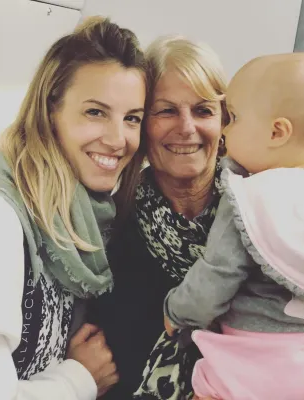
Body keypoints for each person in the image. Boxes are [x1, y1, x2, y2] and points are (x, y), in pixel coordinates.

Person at [0, 16, 147, 400]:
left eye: (132, 118)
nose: (119, 139)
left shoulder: (89, 219)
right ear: (51, 109)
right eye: (96, 112)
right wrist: (78, 380)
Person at [164, 53, 304, 400]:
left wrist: (176, 312)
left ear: (277, 132)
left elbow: (217, 275)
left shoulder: (249, 197)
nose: (225, 130)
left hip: (257, 365)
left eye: (233, 118)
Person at [94, 35, 228, 400]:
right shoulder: (109, 226)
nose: (186, 127)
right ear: (141, 123)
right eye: (166, 111)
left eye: (203, 110)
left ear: (224, 120)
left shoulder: (265, 219)